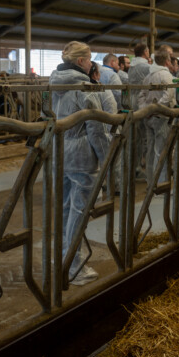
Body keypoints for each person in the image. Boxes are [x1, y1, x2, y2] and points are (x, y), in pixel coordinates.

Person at [50, 41, 111, 286]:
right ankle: (73, 266)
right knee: (80, 211)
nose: (90, 63)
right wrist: (107, 159)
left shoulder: (54, 83)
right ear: (80, 62)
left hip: (59, 150)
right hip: (82, 155)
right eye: (88, 59)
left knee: (65, 208)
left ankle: (64, 259)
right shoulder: (85, 88)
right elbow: (96, 129)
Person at [138, 47, 176, 184]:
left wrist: (146, 110)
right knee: (161, 151)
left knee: (150, 151)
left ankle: (150, 181)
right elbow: (169, 95)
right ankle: (161, 183)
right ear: (167, 61)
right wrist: (156, 109)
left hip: (149, 118)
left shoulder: (148, 76)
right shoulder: (166, 75)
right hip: (162, 118)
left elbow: (141, 95)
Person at [128, 43, 152, 179]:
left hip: (132, 101)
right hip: (142, 101)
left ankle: (135, 166)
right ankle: (145, 168)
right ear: (145, 52)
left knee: (135, 137)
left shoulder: (132, 67)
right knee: (145, 137)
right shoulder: (146, 67)